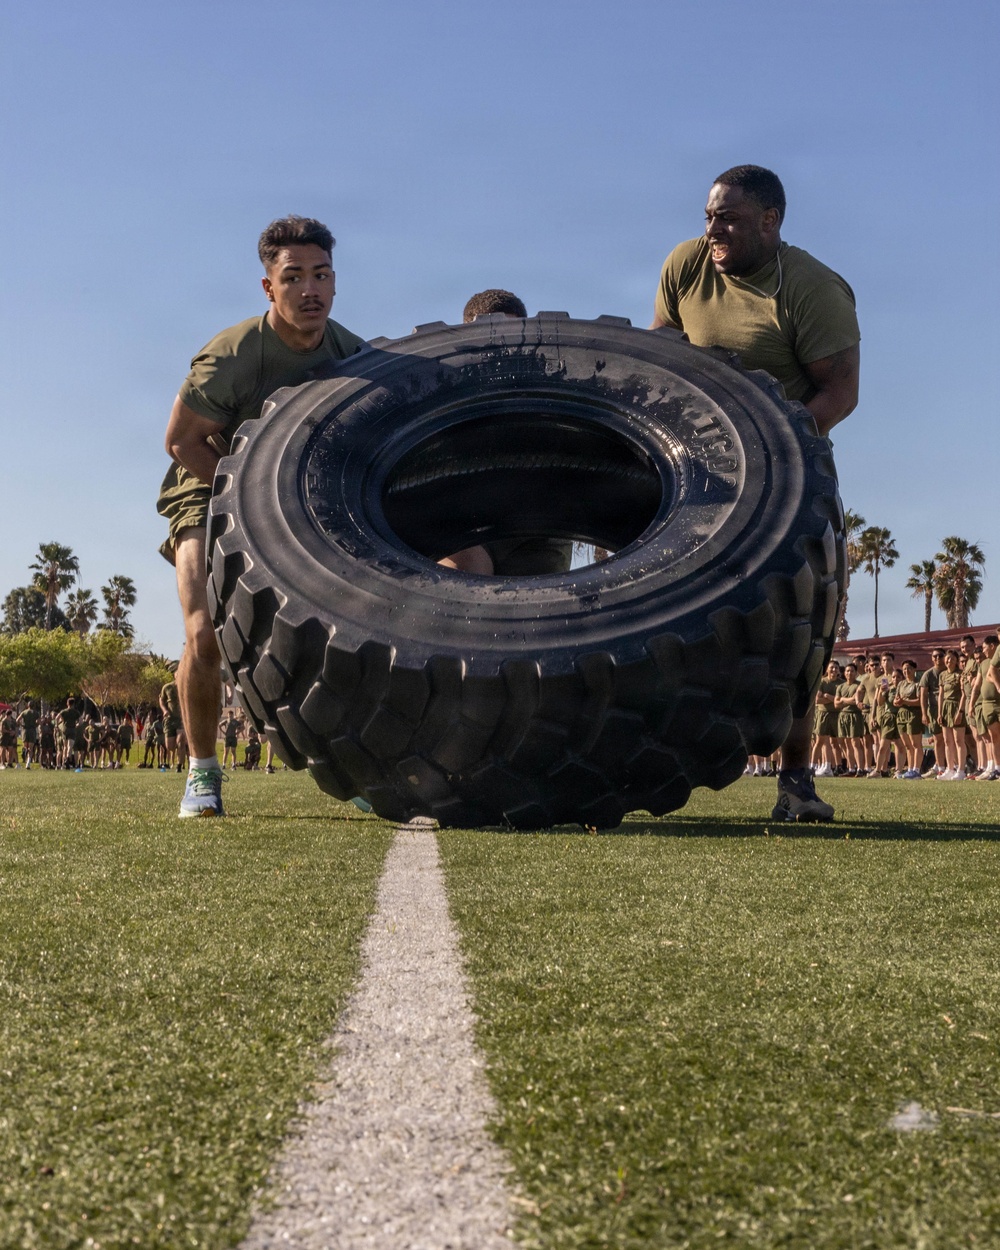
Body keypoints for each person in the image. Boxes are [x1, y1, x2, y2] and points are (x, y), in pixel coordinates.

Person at [651, 164, 860, 821]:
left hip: (789, 474)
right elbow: (657, 350)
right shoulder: (688, 264)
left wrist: (775, 445)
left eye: (729, 219)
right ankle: (648, 758)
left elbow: (840, 391)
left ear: (770, 222)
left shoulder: (810, 288)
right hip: (695, 473)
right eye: (710, 215)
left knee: (797, 633)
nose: (713, 229)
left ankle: (796, 783)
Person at [158, 216, 367, 817]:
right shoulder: (234, 354)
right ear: (268, 287)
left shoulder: (352, 355)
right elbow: (180, 442)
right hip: (205, 486)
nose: (311, 290)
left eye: (322, 275)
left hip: (295, 501)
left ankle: (356, 765)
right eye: (294, 276)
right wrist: (237, 498)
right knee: (204, 632)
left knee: (342, 633)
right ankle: (202, 773)